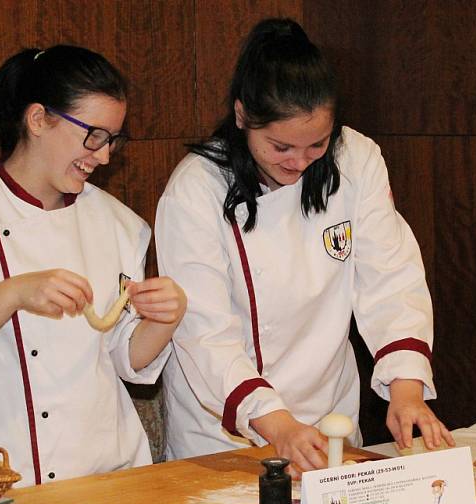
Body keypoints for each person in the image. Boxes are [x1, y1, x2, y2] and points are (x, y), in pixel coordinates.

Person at [155, 18, 454, 475]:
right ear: (241, 117)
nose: (298, 163)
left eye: (317, 145)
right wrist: (277, 424)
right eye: (280, 147)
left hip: (329, 419)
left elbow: (391, 278)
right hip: (222, 430)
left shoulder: (356, 158)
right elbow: (203, 330)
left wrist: (407, 389)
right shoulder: (196, 188)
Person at [0, 45, 186, 486]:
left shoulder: (118, 223)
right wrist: (14, 292)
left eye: (112, 140)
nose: (102, 155)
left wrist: (163, 318)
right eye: (93, 135)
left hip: (109, 480)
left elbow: (125, 358)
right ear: (38, 119)